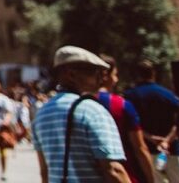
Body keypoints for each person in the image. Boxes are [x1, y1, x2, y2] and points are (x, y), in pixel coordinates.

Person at [32, 45, 130, 182]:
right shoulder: (92, 111)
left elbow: (45, 172)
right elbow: (114, 170)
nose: (100, 80)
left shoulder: (42, 114)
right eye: (95, 73)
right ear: (71, 75)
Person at [124, 60, 179, 183]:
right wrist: (167, 140)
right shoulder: (167, 94)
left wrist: (150, 137)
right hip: (171, 149)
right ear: (153, 73)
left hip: (147, 150)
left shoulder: (130, 96)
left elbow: (130, 125)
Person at [97, 55, 155, 183]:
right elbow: (140, 149)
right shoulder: (121, 105)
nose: (116, 79)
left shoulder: (76, 105)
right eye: (115, 74)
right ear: (106, 76)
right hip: (125, 174)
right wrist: (152, 179)